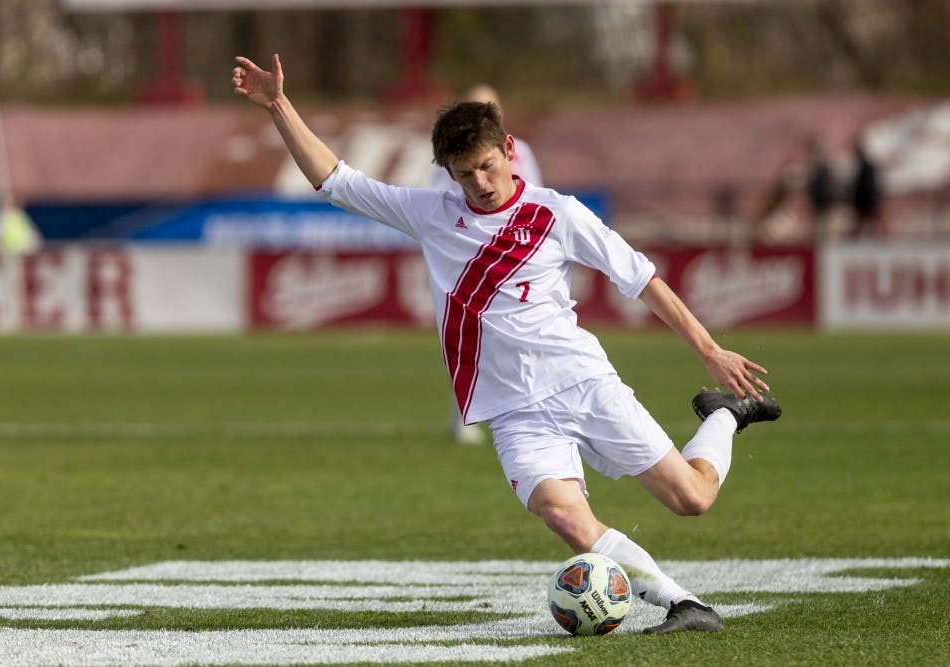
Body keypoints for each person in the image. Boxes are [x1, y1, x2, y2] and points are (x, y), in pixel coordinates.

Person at [232, 53, 781, 634]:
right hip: (513, 411)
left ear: (510, 149)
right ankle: (682, 604)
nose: (480, 183)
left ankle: (722, 416)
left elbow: (641, 279)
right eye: (464, 174)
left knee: (692, 498)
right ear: (447, 173)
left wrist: (709, 351)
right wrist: (278, 105)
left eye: (487, 166)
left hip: (582, 383)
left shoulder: (556, 213)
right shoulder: (431, 213)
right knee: (565, 517)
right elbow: (335, 180)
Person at [427, 83, 543, 446]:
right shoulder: (454, 154)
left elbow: (535, 193)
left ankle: (527, 410)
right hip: (467, 250)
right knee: (469, 335)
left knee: (520, 333)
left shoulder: (520, 150)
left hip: (513, 253)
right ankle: (464, 413)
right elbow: (435, 199)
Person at [848, 136, 882, 239]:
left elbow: (866, 186)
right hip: (867, 201)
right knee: (864, 221)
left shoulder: (865, 167)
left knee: (873, 220)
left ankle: (885, 237)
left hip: (867, 201)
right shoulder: (864, 166)